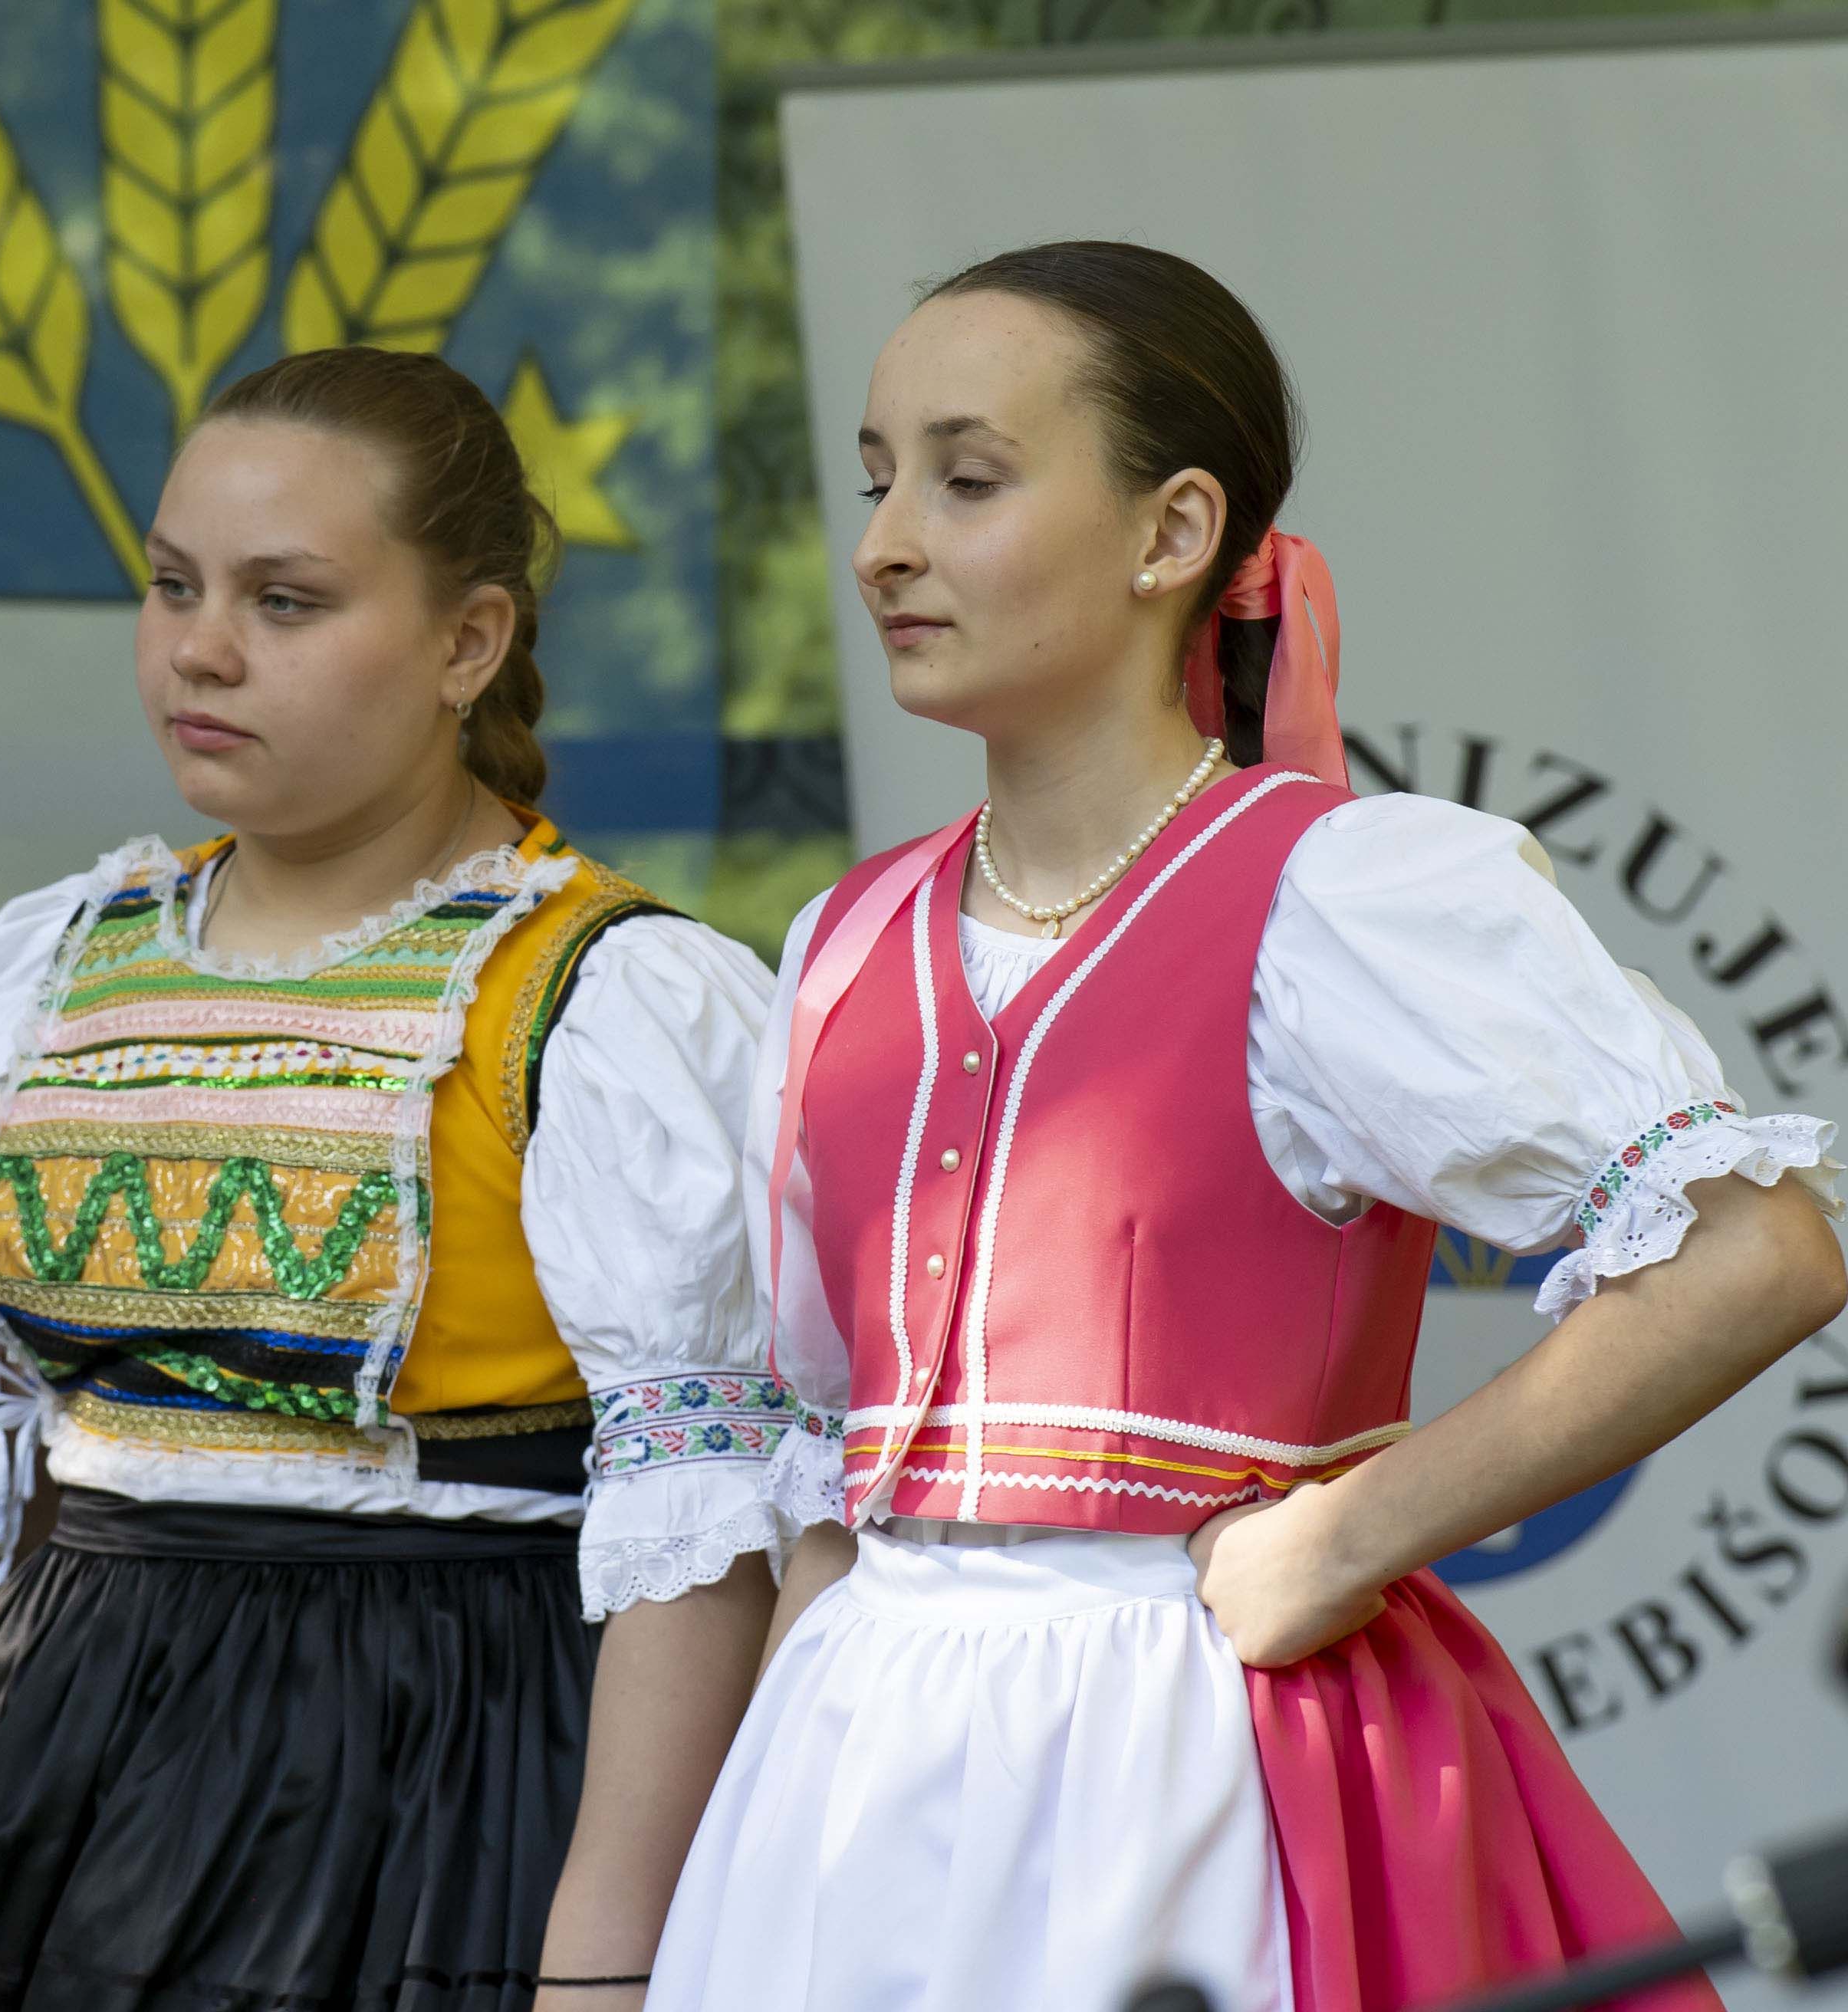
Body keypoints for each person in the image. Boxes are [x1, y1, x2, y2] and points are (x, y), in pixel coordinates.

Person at [649, 241, 1847, 2012]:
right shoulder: (842, 943)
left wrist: (1347, 1538)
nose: (886, 542)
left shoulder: (1338, 898)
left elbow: (1755, 1251)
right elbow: (828, 1464)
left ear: (1174, 530)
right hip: (853, 1761)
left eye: (967, 480)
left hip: (1185, 1740)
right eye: (878, 477)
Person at [0, 345, 787, 2011]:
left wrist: (604, 1965)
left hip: (438, 1770)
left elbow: (701, 1547)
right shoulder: (57, 965)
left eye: (285, 601)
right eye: (173, 585)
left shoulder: (602, 1001)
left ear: (470, 642)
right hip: (54, 1775)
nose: (202, 648)